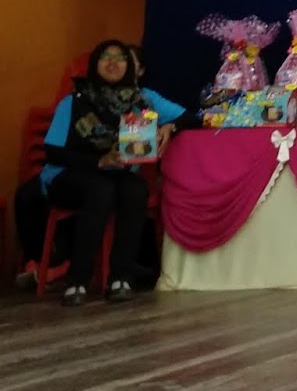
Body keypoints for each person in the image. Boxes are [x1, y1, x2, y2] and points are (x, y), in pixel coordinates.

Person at [27, 40, 183, 305]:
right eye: (105, 57)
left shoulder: (140, 102)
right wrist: (99, 161)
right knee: (100, 190)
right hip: (68, 173)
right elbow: (53, 151)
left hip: (116, 175)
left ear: (129, 66)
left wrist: (170, 127)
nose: (113, 63)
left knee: (135, 190)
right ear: (94, 64)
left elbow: (189, 118)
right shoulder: (74, 100)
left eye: (120, 58)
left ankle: (120, 278)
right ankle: (77, 280)